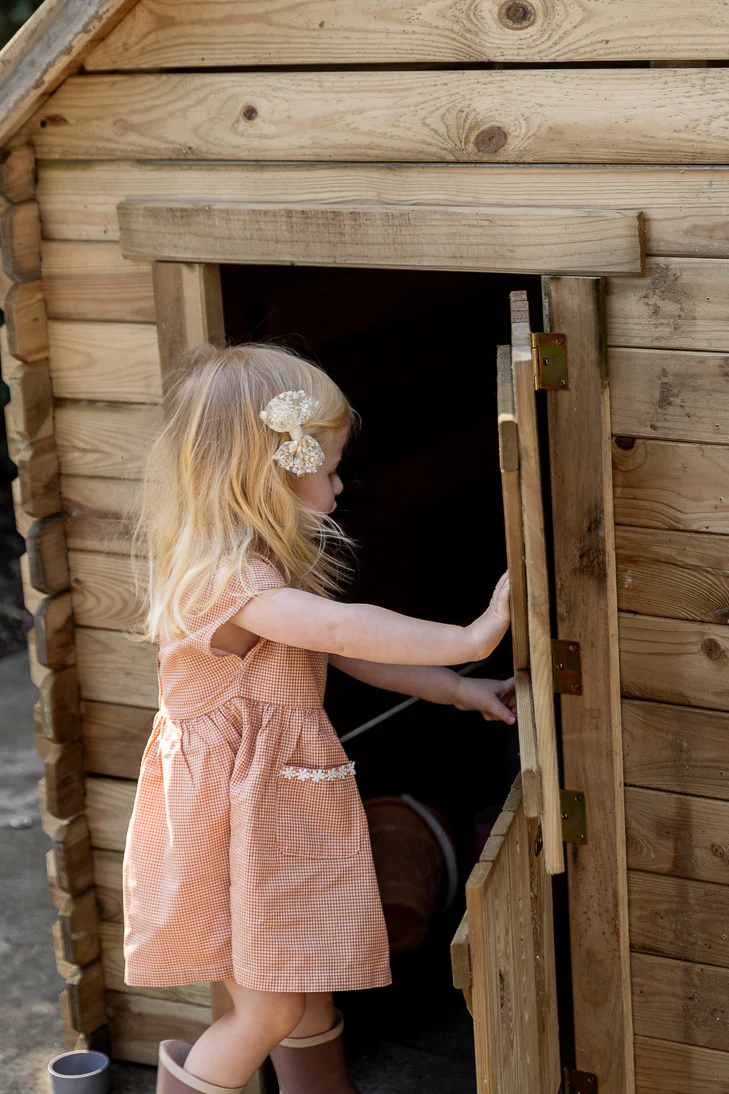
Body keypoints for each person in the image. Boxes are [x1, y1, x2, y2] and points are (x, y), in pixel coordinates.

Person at [121, 342, 515, 1094]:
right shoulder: (227, 578)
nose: (338, 485)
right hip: (232, 820)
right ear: (270, 471)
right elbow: (343, 632)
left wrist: (454, 687)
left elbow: (342, 654)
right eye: (328, 468)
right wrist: (470, 636)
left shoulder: (257, 564)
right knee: (267, 1009)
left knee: (295, 991)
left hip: (266, 811)